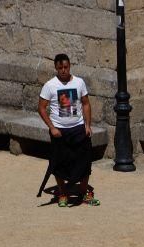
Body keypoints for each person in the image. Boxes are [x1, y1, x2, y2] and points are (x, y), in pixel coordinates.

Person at [38, 54, 97, 208]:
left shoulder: (79, 82)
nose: (63, 70)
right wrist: (52, 127)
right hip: (60, 131)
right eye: (60, 68)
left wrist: (88, 125)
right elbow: (42, 108)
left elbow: (85, 103)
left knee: (84, 162)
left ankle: (83, 193)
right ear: (56, 68)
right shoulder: (50, 85)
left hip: (78, 128)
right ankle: (63, 193)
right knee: (59, 163)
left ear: (69, 66)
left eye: (66, 67)